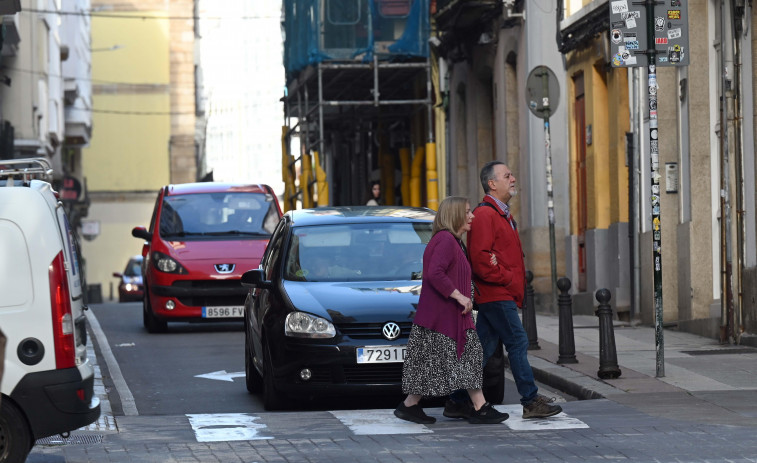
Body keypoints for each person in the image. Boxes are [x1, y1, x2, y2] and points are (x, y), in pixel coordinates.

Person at [445, 161, 562, 420]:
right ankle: (530, 400)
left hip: (498, 294)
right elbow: (481, 259)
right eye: (507, 175)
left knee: (484, 350)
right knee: (518, 342)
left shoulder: (502, 214)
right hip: (497, 294)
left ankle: (456, 400)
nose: (513, 179)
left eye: (512, 174)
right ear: (492, 183)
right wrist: (507, 277)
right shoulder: (486, 214)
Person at [394, 196, 509, 425]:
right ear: (455, 214)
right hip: (444, 318)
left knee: (441, 363)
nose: (472, 216)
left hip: (446, 318)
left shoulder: (449, 240)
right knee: (465, 358)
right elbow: (434, 273)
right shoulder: (446, 240)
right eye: (467, 211)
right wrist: (459, 296)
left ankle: (411, 405)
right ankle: (479, 407)